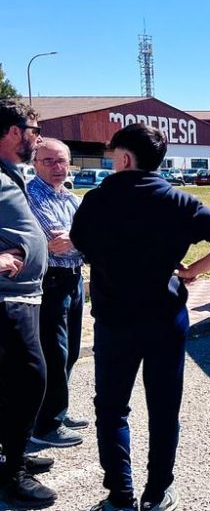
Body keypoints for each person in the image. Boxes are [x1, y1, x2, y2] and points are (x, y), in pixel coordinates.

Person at [72, 124, 210, 511]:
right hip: (165, 318)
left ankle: (120, 494)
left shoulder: (97, 199)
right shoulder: (181, 200)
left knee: (112, 407)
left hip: (115, 319)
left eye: (114, 156)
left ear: (126, 158)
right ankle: (158, 491)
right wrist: (190, 271)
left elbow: (82, 246)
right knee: (164, 407)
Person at [0, 100, 58, 507]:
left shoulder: (10, 174)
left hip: (24, 297)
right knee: (30, 379)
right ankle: (12, 474)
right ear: (15, 132)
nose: (37, 140)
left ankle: (10, 456)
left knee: (14, 383)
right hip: (8, 299)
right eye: (34, 132)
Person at [26, 139, 87, 450]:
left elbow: (83, 239)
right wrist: (83, 238)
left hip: (75, 279)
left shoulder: (71, 199)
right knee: (54, 352)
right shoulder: (32, 194)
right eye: (48, 161)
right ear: (36, 163)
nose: (57, 168)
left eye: (61, 161)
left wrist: (80, 238)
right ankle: (46, 424)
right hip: (50, 282)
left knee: (71, 350)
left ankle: (58, 412)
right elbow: (55, 240)